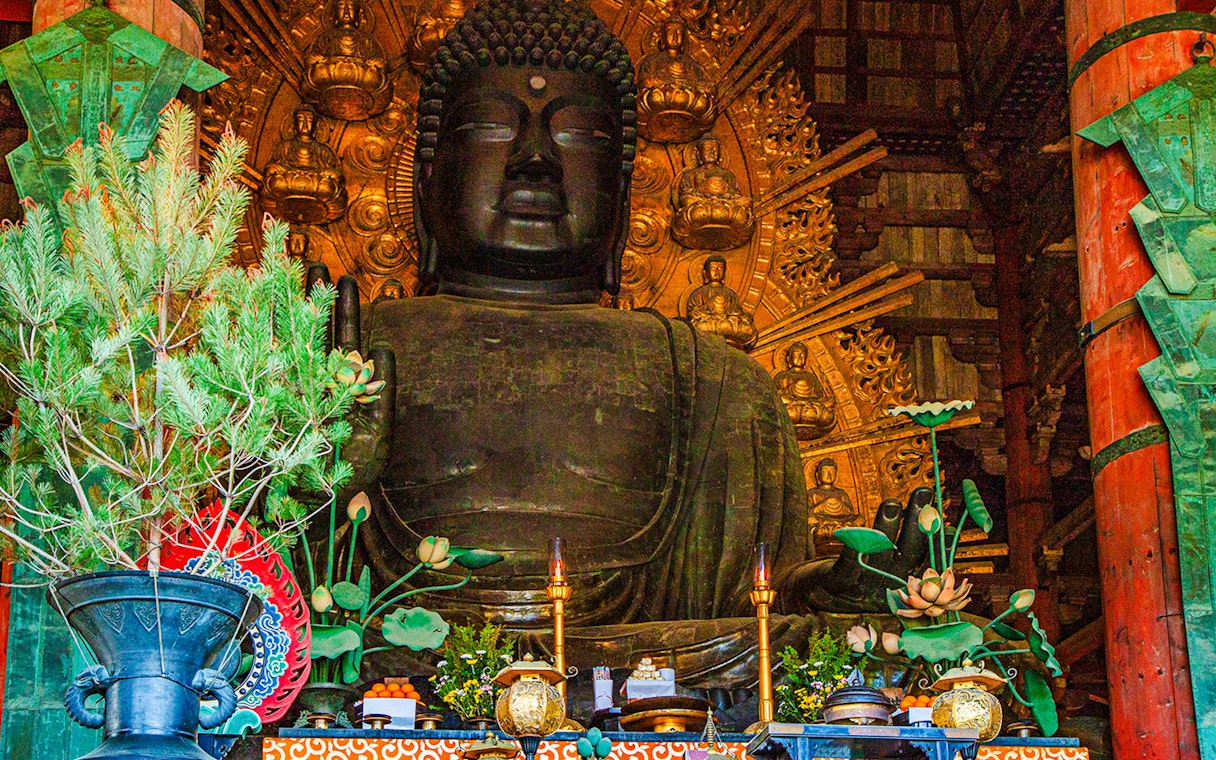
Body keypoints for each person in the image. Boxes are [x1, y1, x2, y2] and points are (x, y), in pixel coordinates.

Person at [311, 0, 924, 657]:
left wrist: (838, 594)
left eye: (580, 138)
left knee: (855, 648)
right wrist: (317, 486)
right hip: (404, 669)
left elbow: (759, 604)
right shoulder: (350, 351)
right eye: (492, 127)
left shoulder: (717, 381)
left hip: (660, 680)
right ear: (427, 180)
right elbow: (260, 574)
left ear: (623, 198)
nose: (536, 158)